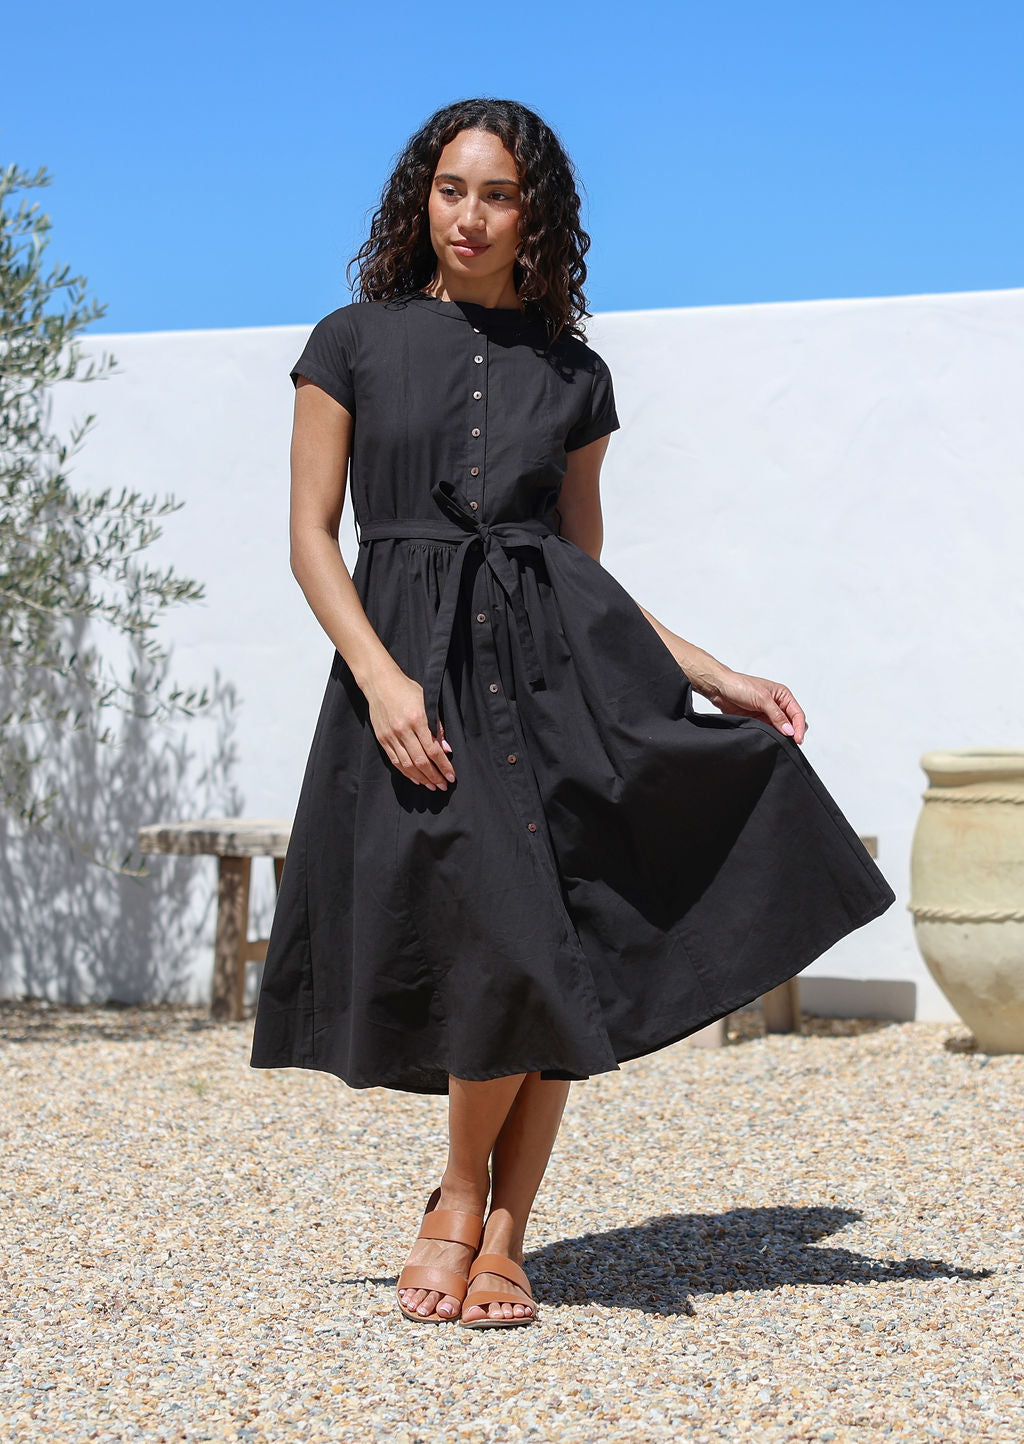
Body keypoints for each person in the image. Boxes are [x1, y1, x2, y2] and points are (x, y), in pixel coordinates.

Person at [249, 97, 896, 1330]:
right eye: (451, 189)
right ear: (420, 197)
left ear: (533, 215)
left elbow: (579, 575)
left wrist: (711, 674)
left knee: (551, 939)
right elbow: (308, 538)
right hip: (412, 683)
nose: (469, 216)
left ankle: (492, 1225)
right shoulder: (349, 342)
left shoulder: (574, 373)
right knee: (505, 938)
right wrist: (382, 679)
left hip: (553, 686)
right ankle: (466, 1203)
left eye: (497, 195)